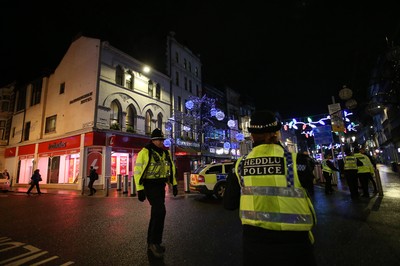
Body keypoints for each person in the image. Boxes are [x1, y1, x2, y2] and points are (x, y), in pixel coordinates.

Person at [223, 110, 317, 266]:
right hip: (295, 244)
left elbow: (229, 204)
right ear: (276, 133)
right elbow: (310, 193)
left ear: (252, 136)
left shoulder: (240, 165)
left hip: (255, 244)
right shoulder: (296, 161)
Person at [134, 128, 178, 259]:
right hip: (149, 185)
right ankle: (154, 242)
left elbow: (171, 169)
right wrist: (140, 188)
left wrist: (174, 184)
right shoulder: (145, 152)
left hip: (160, 186)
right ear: (153, 140)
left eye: (162, 140)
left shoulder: (165, 153)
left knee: (156, 213)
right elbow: (138, 171)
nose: (161, 142)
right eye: (159, 140)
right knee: (160, 211)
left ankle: (152, 242)